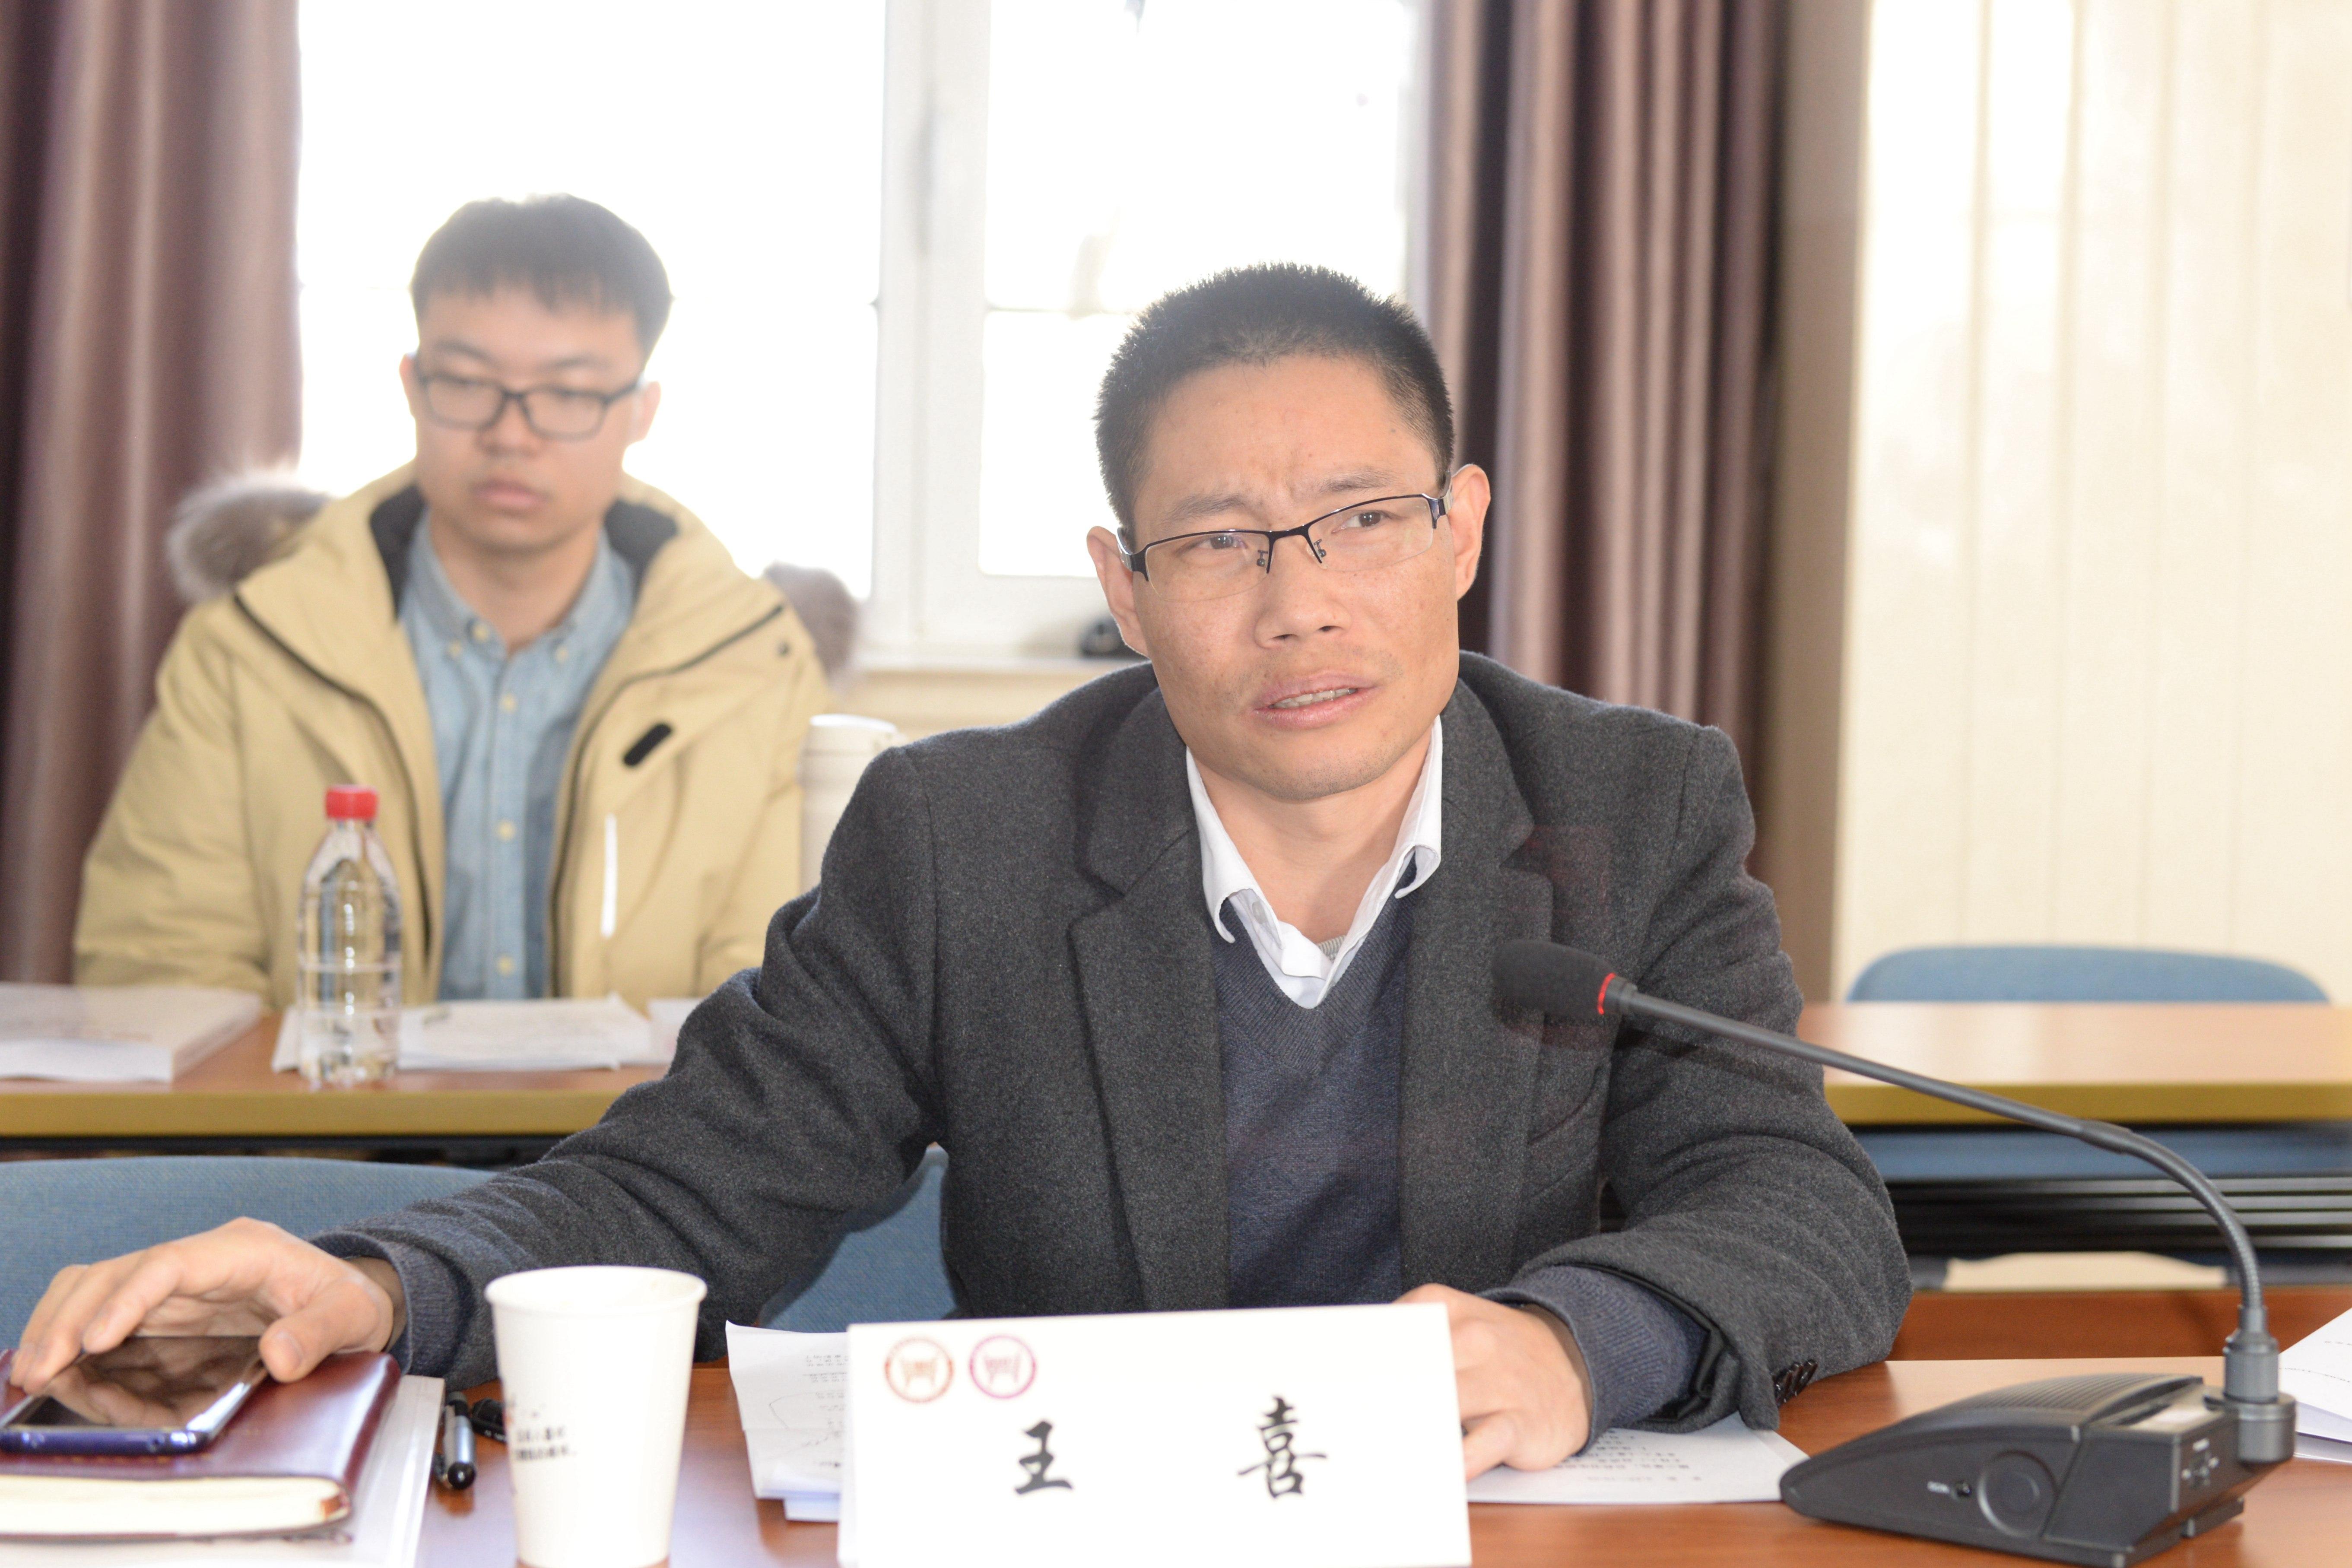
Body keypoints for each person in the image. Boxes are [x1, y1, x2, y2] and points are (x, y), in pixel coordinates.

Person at [19, 265, 1908, 1476]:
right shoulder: (964, 839)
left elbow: (1799, 1209)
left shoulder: (1628, 802)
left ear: (1460, 530)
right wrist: (375, 1277)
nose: (1302, 602)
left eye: (1360, 521)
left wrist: (1580, 1343)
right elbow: (686, 1190)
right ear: (1124, 589)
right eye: (1219, 541)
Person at [73, 196, 833, 1008]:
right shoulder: (250, 648)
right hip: (326, 1098)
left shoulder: (758, 665)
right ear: (411, 384)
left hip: (660, 1101)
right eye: (468, 382)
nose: (512, 435)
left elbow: (780, 999)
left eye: (569, 393)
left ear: (641, 411)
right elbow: (160, 966)